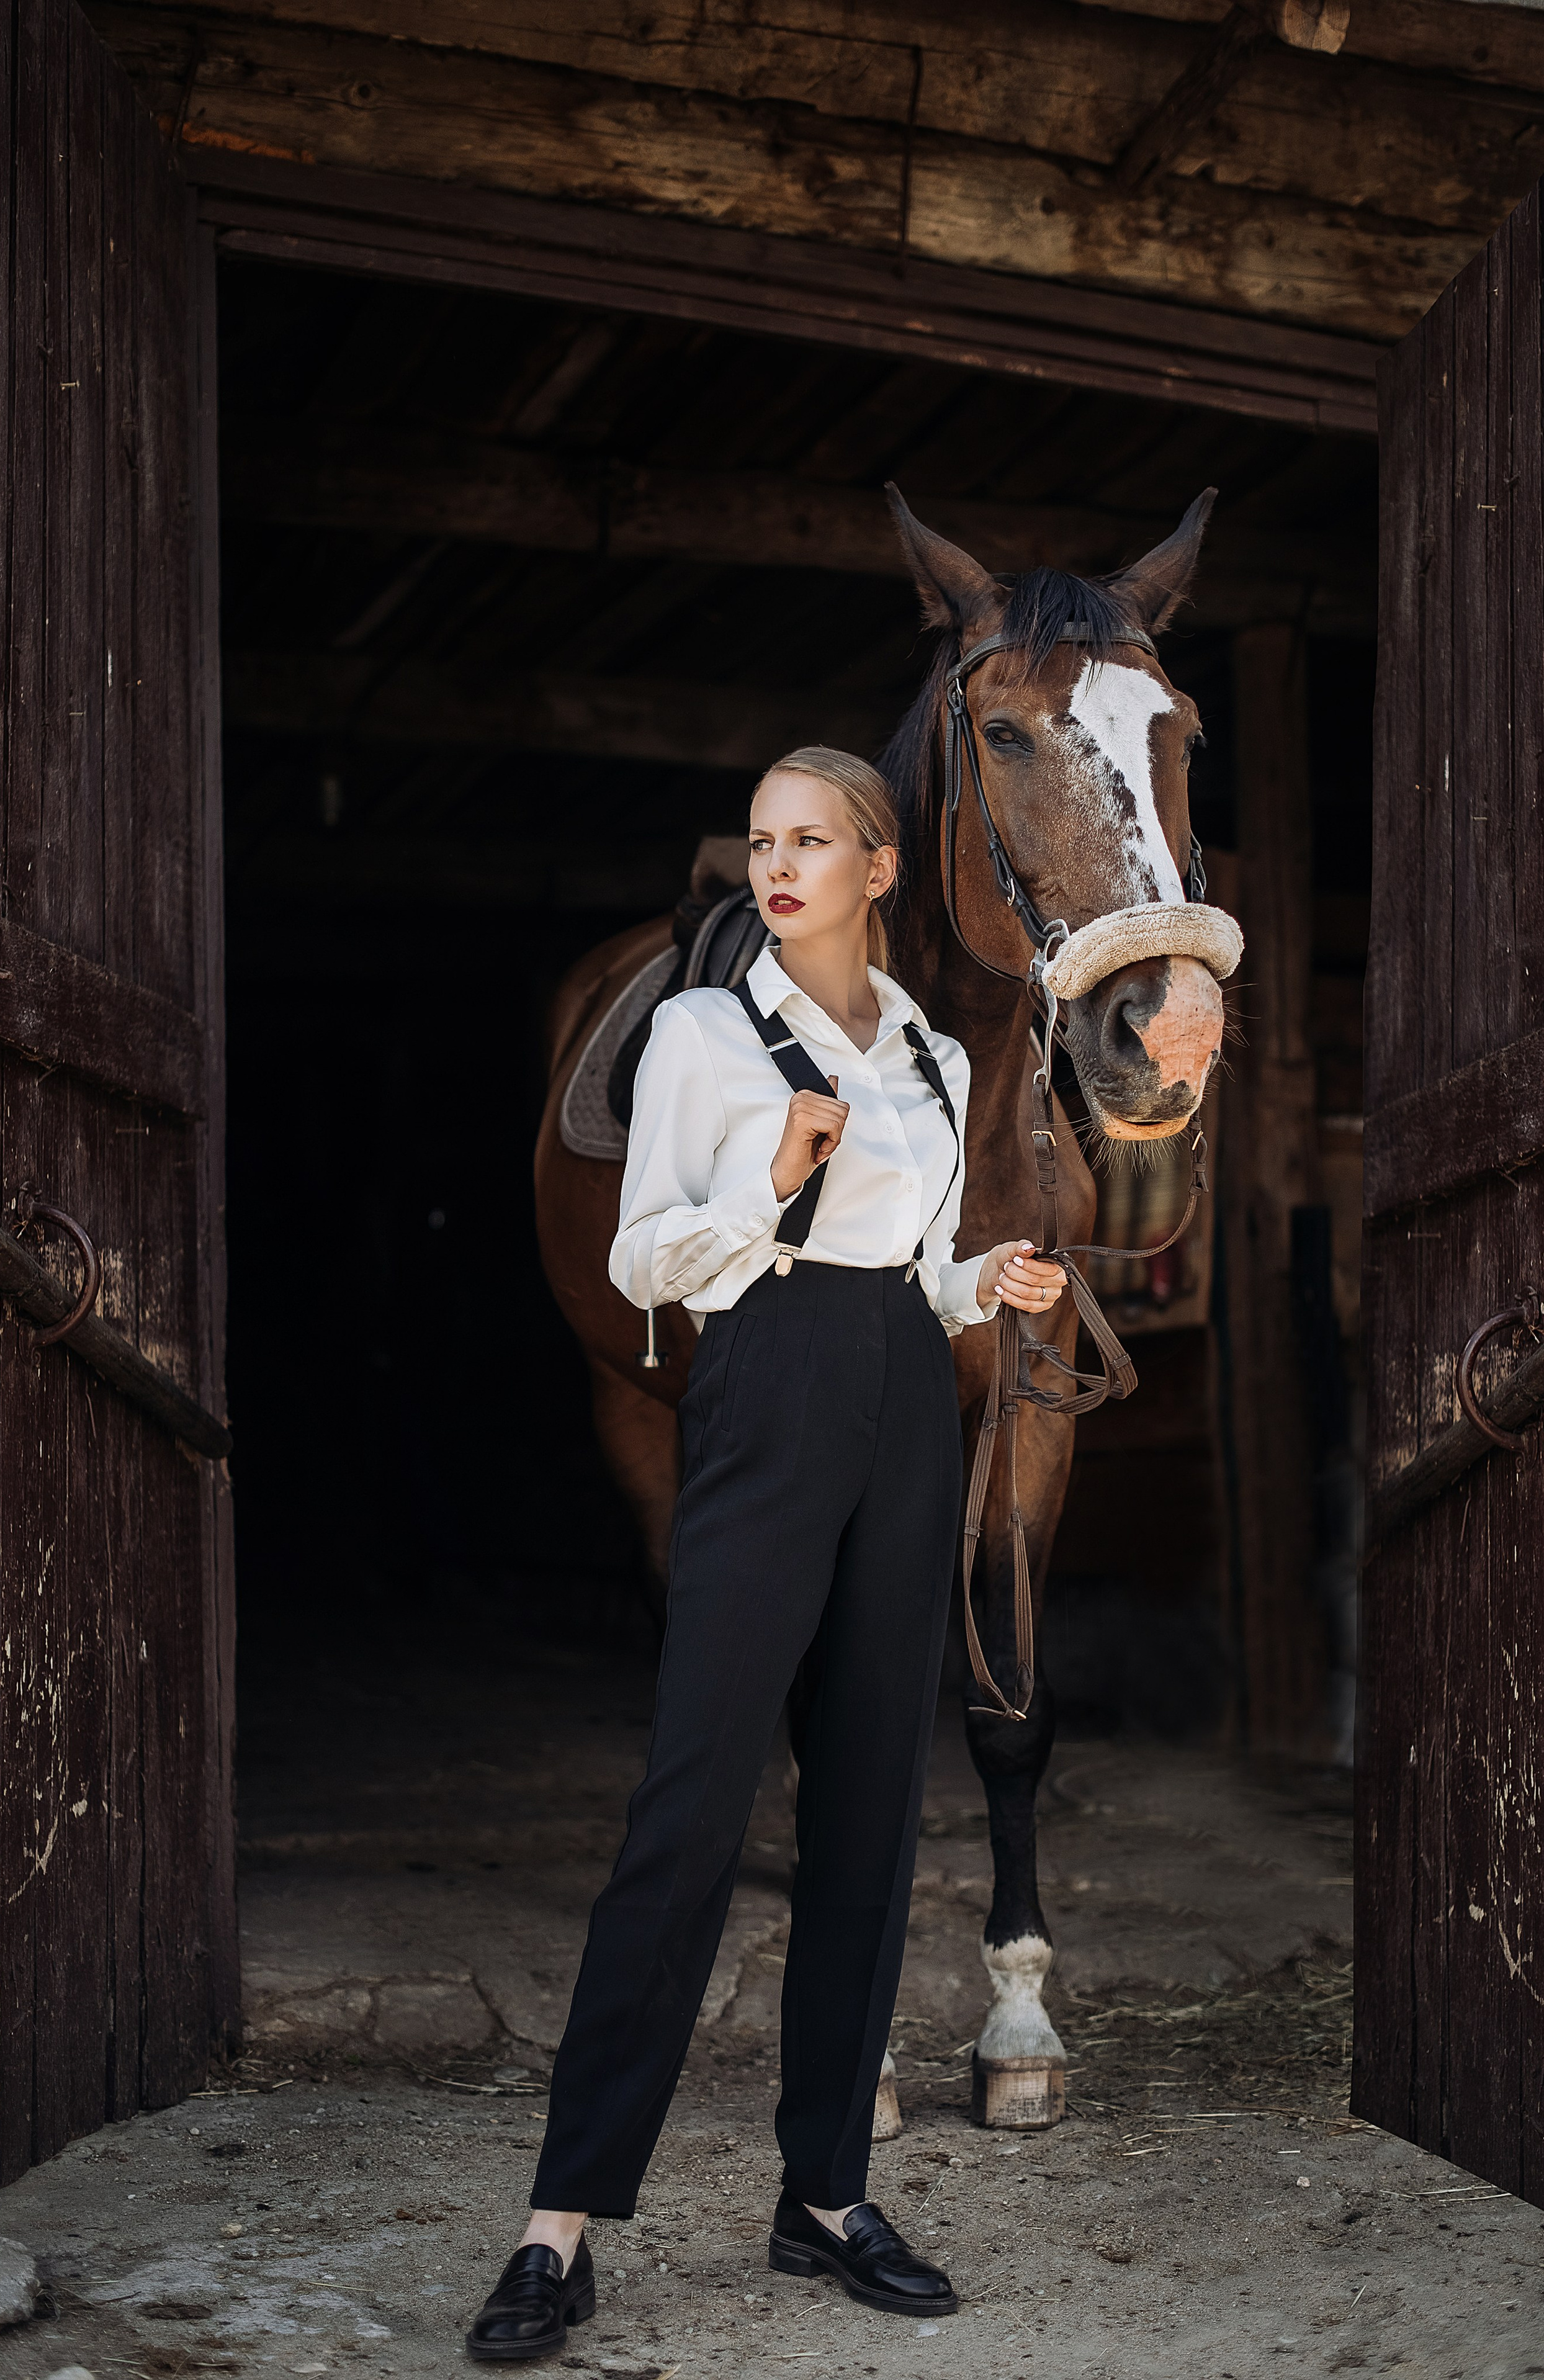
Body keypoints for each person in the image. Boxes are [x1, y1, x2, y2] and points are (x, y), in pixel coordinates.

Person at [466, 747, 1069, 2362]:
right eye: (763, 840)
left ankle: (824, 2193)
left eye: (814, 840)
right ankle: (561, 2221)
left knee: (873, 1802)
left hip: (902, 1395)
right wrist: (773, 1174)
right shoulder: (701, 1033)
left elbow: (918, 1259)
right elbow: (650, 1251)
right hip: (763, 1371)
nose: (777, 864)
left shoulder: (934, 1052)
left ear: (883, 870)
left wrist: (981, 1277)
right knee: (693, 1796)